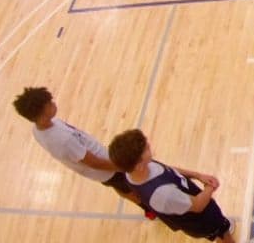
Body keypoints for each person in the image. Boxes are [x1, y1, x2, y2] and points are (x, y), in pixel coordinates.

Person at [108, 129, 254, 243]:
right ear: (139, 165)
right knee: (221, 233)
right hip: (199, 218)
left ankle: (223, 227)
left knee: (221, 224)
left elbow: (168, 170)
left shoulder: (134, 172)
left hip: (191, 200)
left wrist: (198, 175)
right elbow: (197, 206)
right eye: (145, 149)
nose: (149, 145)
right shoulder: (163, 194)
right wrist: (210, 187)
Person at [12, 87, 151, 217]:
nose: (53, 103)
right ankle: (150, 209)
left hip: (105, 166)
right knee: (132, 188)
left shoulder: (39, 129)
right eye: (49, 104)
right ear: (41, 115)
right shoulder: (62, 140)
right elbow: (94, 163)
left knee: (121, 188)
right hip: (107, 168)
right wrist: (123, 167)